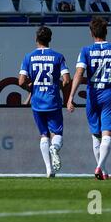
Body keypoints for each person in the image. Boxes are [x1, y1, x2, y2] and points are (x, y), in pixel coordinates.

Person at [67, 17, 111, 180]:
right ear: (106, 31)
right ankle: (101, 167)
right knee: (107, 133)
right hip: (109, 93)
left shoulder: (85, 50)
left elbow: (79, 74)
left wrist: (70, 96)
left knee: (96, 135)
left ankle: (103, 170)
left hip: (92, 94)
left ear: (91, 33)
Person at [18, 26, 71, 178]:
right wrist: (56, 85)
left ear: (36, 40)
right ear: (50, 39)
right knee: (57, 133)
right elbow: (67, 80)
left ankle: (49, 169)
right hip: (52, 100)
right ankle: (54, 148)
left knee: (43, 135)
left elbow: (21, 81)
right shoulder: (58, 57)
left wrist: (30, 88)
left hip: (37, 102)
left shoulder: (28, 57)